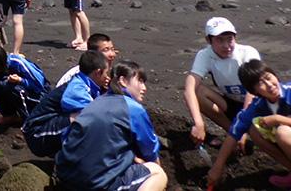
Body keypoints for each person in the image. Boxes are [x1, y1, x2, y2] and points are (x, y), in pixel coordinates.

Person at [55, 61, 168, 191]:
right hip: (94, 182)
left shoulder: (96, 101)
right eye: (140, 81)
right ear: (123, 81)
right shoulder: (133, 108)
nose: (144, 88)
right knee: (158, 174)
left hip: (66, 175)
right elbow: (150, 149)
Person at [207, 59, 291, 189]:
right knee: (254, 130)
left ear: (274, 75)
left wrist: (278, 119)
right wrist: (217, 167)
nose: (269, 85)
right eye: (261, 83)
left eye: (268, 78)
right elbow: (233, 134)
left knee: (283, 132)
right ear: (254, 91)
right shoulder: (257, 106)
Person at [184, 16, 260, 148]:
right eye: (219, 40)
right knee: (198, 91)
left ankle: (241, 133)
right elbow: (189, 89)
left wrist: (241, 124)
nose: (226, 46)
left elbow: (252, 91)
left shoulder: (247, 53)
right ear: (209, 40)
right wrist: (199, 123)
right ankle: (233, 134)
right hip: (231, 103)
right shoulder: (205, 55)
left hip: (255, 105)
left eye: (230, 39)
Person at [23, 50, 109, 157]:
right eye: (106, 73)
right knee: (85, 116)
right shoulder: (77, 87)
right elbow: (97, 113)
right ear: (98, 72)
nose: (107, 77)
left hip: (50, 127)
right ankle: (68, 159)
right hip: (36, 133)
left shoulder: (87, 83)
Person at [0, 44, 49, 129]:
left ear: (0, 64)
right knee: (0, 85)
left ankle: (30, 120)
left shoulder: (18, 63)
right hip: (20, 92)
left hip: (39, 96)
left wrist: (21, 80)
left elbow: (39, 86)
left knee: (13, 87)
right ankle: (12, 116)